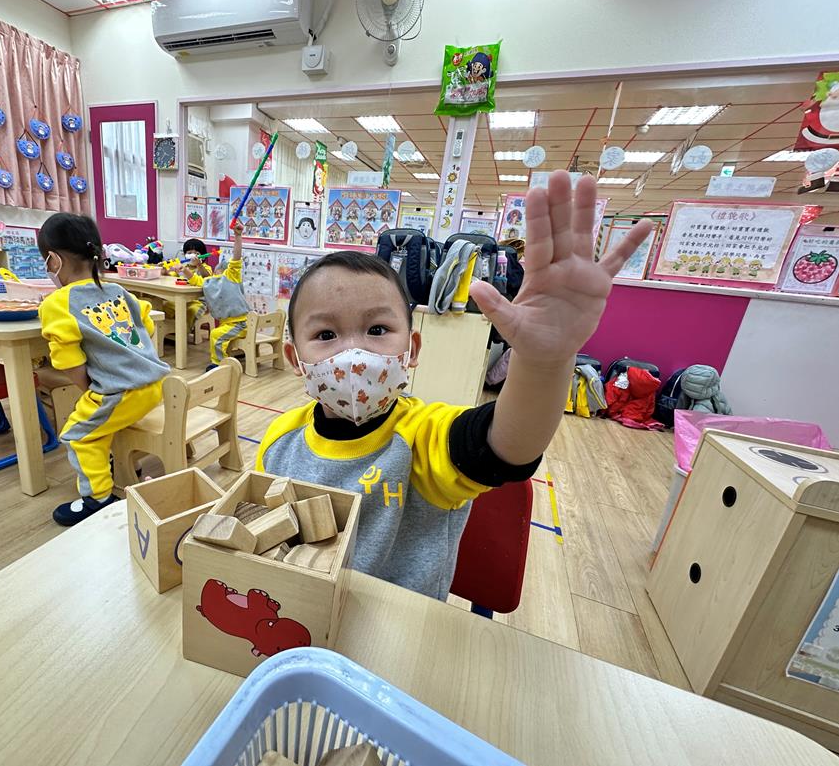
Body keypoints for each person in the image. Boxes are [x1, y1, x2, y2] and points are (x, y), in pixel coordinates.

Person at [256, 171, 653, 599]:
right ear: (294, 359)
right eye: (326, 335)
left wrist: (544, 362)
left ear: (411, 349)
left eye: (377, 329)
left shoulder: (424, 435)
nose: (353, 353)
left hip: (397, 626)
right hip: (299, 610)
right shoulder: (280, 440)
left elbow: (509, 443)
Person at [37, 213, 170, 526]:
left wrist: (93, 391)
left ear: (53, 260)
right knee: (102, 422)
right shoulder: (119, 291)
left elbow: (69, 362)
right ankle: (114, 463)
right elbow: (147, 325)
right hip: (154, 384)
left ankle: (98, 499)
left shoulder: (57, 303)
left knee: (77, 435)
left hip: (121, 391)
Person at [183, 225, 249, 371]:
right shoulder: (210, 281)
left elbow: (236, 257)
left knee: (216, 335)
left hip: (240, 323)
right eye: (216, 273)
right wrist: (183, 269)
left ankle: (218, 365)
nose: (217, 276)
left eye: (220, 273)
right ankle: (221, 360)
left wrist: (238, 236)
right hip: (228, 323)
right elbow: (195, 279)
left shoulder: (231, 275)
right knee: (217, 334)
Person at [161, 238, 213, 332]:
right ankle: (168, 329)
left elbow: (207, 277)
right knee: (166, 305)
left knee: (192, 310)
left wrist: (199, 265)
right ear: (185, 255)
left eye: (197, 253)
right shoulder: (183, 266)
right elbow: (173, 277)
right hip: (180, 299)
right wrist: (165, 272)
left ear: (203, 255)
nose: (193, 255)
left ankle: (184, 331)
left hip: (198, 301)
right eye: (189, 252)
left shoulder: (205, 267)